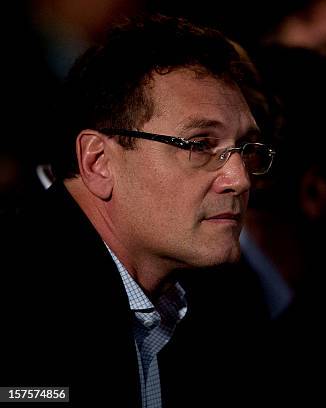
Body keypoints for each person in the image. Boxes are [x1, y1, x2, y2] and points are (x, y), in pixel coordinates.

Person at [0, 14, 275, 407]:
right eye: (199, 145)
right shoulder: (18, 301)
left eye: (246, 149)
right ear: (98, 163)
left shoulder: (221, 301)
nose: (240, 178)